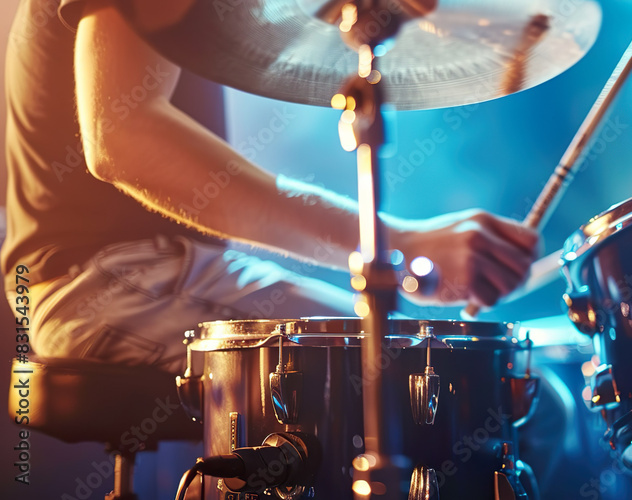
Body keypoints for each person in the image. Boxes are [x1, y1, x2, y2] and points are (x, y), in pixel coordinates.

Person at [2, 0, 538, 375]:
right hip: (105, 282)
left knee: (455, 373)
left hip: (157, 270)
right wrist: (399, 244)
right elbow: (123, 139)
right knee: (443, 383)